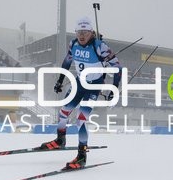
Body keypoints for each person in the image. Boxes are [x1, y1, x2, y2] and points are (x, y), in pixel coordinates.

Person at [40, 16, 122, 168]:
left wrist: (115, 89)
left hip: (93, 86)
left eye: (85, 32)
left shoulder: (100, 46)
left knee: (80, 119)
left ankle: (81, 155)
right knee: (64, 111)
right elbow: (67, 61)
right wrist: (60, 80)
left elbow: (118, 67)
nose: (82, 35)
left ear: (91, 32)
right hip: (79, 83)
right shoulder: (73, 44)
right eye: (79, 32)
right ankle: (60, 140)